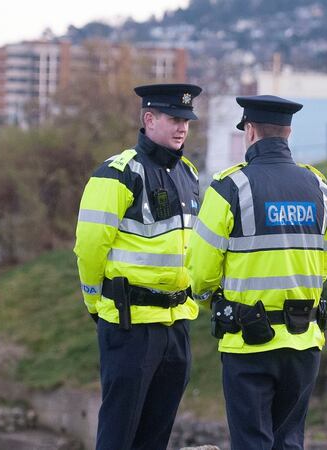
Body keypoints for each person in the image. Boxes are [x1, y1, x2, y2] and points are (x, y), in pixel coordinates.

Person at [186, 94, 327, 450]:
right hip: (304, 342)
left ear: (249, 132)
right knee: (289, 442)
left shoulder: (229, 187)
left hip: (249, 343)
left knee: (252, 442)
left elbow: (201, 273)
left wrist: (211, 301)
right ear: (287, 133)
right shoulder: (319, 188)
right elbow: (323, 264)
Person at [74, 83, 203, 450]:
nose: (183, 127)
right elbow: (89, 247)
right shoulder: (116, 174)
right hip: (131, 326)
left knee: (156, 436)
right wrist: (94, 301)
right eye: (174, 119)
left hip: (176, 326)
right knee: (119, 434)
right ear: (149, 119)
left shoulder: (189, 174)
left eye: (187, 121)